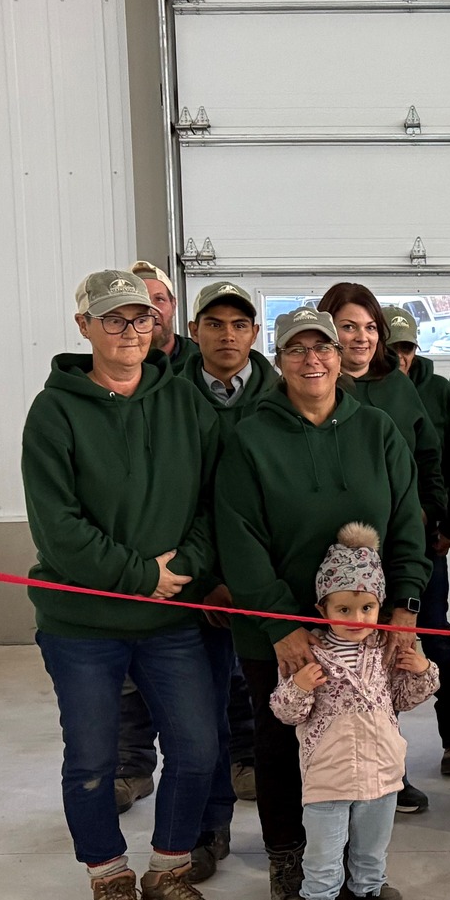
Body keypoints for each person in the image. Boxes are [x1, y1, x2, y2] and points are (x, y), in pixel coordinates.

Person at [20, 268, 232, 900]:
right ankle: (110, 883)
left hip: (169, 620)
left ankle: (167, 876)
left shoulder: (184, 403)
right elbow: (60, 527)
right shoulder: (54, 414)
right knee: (91, 760)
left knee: (198, 749)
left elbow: (212, 498)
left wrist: (183, 572)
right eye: (114, 319)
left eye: (140, 318)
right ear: (84, 326)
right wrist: (142, 574)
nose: (130, 331)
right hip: (82, 625)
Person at [216, 307, 430, 900]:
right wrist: (283, 625)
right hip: (280, 633)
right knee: (284, 744)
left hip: (365, 631)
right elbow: (240, 537)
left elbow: (407, 524)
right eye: (297, 349)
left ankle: (358, 871)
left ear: (342, 357)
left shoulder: (378, 431)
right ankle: (293, 866)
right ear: (278, 360)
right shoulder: (250, 438)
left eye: (324, 348)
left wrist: (405, 609)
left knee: (363, 743)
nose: (313, 359)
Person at [116, 279, 274, 825]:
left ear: (255, 333)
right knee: (200, 721)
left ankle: (291, 838)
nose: (227, 335)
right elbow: (171, 500)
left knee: (278, 714)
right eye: (214, 323)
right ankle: (208, 830)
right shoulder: (165, 399)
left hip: (269, 588)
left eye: (238, 324)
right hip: (196, 585)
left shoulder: (284, 399)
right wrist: (203, 580)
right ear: (192, 330)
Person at [271, 523, 441, 900]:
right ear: (322, 607)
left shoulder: (384, 650)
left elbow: (403, 698)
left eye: (366, 608)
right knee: (323, 852)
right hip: (327, 774)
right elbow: (286, 712)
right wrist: (301, 686)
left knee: (370, 850)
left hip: (381, 774)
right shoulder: (308, 654)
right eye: (343, 608)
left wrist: (422, 670)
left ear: (380, 607)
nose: (356, 619)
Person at [320, 282, 447, 794]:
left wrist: (431, 517)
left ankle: (390, 771)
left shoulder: (396, 385)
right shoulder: (315, 384)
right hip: (335, 556)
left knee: (387, 667)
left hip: (395, 547)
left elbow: (429, 453)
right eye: (348, 326)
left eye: (371, 327)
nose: (361, 337)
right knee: (339, 667)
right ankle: (334, 773)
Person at [384, 304, 450, 780]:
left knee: (438, 641)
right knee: (375, 656)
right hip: (371, 547)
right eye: (392, 347)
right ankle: (388, 766)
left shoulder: (439, 392)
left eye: (405, 348)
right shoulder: (364, 389)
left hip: (425, 542)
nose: (399, 356)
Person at [131, 259, 189, 370]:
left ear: (173, 304)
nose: (151, 310)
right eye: (142, 300)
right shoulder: (115, 366)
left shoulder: (201, 360)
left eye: (159, 299)